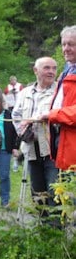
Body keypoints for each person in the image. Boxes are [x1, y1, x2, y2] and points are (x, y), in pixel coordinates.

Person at [12, 57, 59, 220]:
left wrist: (44, 118)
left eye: (54, 68)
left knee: (55, 193)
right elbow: (16, 115)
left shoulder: (60, 91)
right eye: (47, 68)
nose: (51, 72)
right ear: (36, 71)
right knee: (37, 193)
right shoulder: (25, 93)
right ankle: (43, 229)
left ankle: (56, 231)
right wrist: (23, 130)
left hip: (53, 150)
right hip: (31, 150)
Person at [46, 26, 76, 174]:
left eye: (71, 44)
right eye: (64, 44)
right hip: (64, 140)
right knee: (65, 193)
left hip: (73, 143)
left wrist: (52, 115)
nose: (66, 48)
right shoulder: (67, 71)